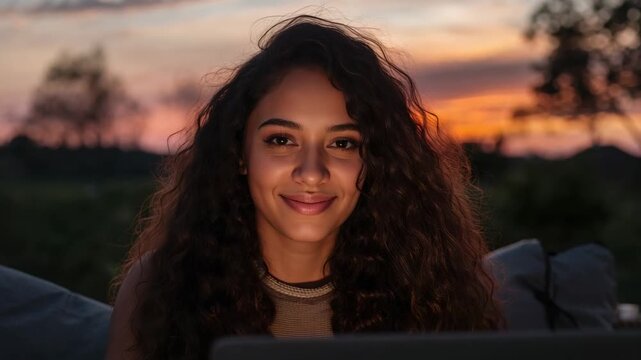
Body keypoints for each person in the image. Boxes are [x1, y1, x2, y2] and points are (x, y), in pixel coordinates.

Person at [106, 14, 504, 360]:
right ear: (239, 153)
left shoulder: (430, 292)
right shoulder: (160, 288)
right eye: (281, 140)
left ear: (376, 160)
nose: (312, 173)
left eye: (343, 143)